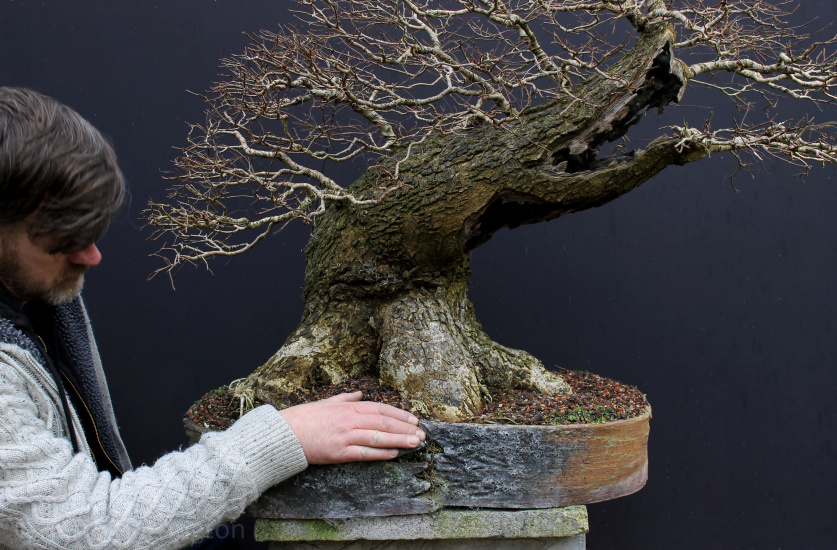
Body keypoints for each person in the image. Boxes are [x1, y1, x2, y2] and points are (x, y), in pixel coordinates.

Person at [0, 87, 426, 549]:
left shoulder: (36, 296)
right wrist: (282, 438)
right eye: (63, 240)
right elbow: (86, 533)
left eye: (92, 231)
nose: (93, 255)